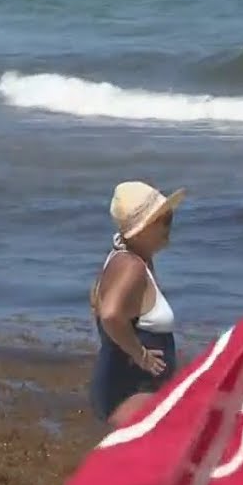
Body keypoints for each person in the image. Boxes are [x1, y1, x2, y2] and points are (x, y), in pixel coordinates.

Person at [88, 180, 185, 426]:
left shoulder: (120, 260)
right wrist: (140, 355)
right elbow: (110, 315)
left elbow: (100, 310)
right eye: (163, 219)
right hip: (133, 391)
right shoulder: (132, 267)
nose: (169, 225)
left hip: (123, 385)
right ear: (142, 228)